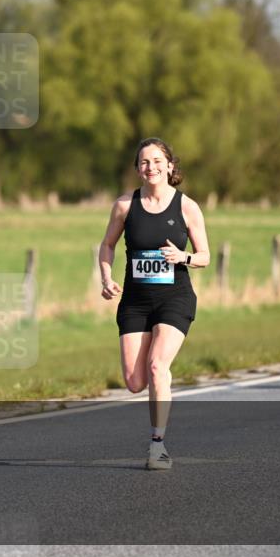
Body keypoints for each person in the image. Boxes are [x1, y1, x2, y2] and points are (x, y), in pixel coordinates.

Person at [97, 138, 209, 470]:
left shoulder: (187, 207)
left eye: (158, 160)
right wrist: (105, 278)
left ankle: (157, 446)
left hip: (175, 297)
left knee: (158, 366)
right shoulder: (124, 206)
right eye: (145, 162)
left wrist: (183, 256)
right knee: (134, 381)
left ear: (170, 166)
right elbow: (107, 246)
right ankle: (158, 389)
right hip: (135, 301)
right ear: (137, 170)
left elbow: (203, 255)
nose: (152, 167)